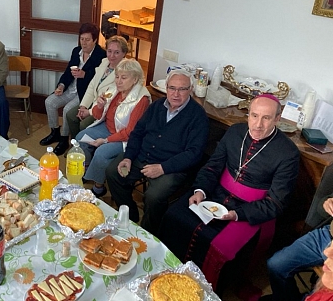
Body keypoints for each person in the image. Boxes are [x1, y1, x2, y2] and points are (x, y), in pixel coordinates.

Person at [158, 94, 300, 291]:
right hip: (215, 194)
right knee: (174, 216)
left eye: (266, 118)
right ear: (248, 114)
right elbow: (212, 167)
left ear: (277, 118)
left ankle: (203, 291)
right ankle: (165, 275)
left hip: (250, 209)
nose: (258, 124)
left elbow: (276, 203)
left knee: (219, 248)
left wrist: (238, 214)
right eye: (254, 116)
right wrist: (200, 190)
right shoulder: (235, 131)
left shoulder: (288, 153)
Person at [106, 69, 209, 234]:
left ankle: (148, 232)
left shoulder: (198, 116)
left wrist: (162, 168)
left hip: (171, 166)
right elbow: (137, 133)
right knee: (113, 172)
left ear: (190, 90)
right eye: (172, 88)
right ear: (166, 88)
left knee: (154, 196)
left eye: (182, 89)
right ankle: (130, 217)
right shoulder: (157, 106)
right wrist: (128, 157)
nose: (176, 93)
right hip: (142, 157)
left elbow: (194, 153)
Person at [77, 59, 151, 197]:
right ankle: (87, 170)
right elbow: (99, 116)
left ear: (135, 79)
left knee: (101, 152)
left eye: (124, 78)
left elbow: (130, 132)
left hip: (125, 137)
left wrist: (105, 140)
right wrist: (99, 106)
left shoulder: (142, 99)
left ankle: (98, 187)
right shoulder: (114, 89)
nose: (118, 81)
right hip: (108, 127)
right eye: (117, 77)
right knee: (80, 137)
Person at [39, 23, 105, 155]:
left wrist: (84, 75)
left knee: (67, 110)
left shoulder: (101, 55)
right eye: (82, 39)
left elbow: (99, 80)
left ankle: (64, 140)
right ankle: (55, 132)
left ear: (95, 40)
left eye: (87, 40)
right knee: (50, 102)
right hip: (70, 89)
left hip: (84, 93)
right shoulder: (76, 51)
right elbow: (68, 71)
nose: (84, 43)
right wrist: (61, 86)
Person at [260, 193, 333, 301]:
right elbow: (320, 207)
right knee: (276, 264)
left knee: (322, 291)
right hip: (327, 235)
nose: (326, 252)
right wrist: (326, 204)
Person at [66, 35, 128, 141]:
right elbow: (92, 86)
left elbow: (109, 97)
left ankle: (86, 149)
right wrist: (83, 106)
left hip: (105, 107)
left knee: (83, 124)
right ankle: (76, 145)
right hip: (94, 101)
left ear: (124, 53)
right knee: (71, 116)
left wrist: (89, 111)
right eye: (109, 51)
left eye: (117, 52)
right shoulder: (104, 62)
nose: (112, 55)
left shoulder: (124, 71)